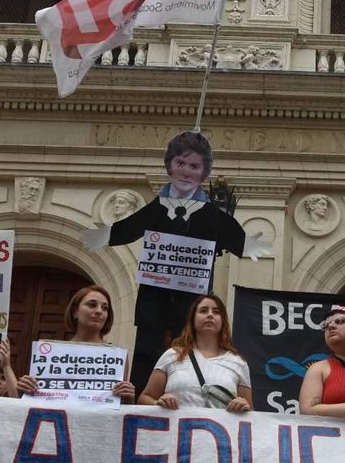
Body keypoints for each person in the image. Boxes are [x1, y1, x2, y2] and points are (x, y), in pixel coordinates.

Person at [81, 131, 271, 388]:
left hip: (189, 300)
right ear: (169, 165)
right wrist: (107, 235)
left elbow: (227, 229)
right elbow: (134, 225)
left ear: (203, 173)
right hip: (153, 300)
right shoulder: (158, 207)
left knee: (186, 348)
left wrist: (247, 245)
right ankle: (141, 394)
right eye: (180, 163)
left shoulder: (209, 213)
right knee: (148, 349)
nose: (185, 172)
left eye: (194, 166)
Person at [17, 285, 135, 403]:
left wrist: (129, 397)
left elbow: (122, 408)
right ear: (75, 312)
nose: (99, 311)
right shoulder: (51, 354)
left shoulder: (118, 357)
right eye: (92, 305)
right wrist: (24, 390)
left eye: (105, 308)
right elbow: (35, 402)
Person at [138, 294, 253, 412]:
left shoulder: (239, 364)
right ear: (193, 320)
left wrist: (243, 406)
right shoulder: (172, 355)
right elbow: (144, 399)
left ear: (223, 321)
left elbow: (252, 418)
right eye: (203, 311)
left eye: (216, 312)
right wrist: (157, 403)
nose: (210, 315)